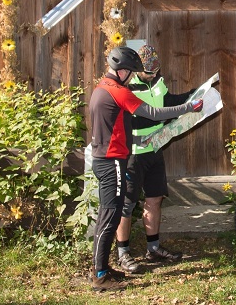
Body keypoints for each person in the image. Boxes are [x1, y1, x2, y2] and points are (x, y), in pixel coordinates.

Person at [89, 45, 203, 291]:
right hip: (115, 160)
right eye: (132, 72)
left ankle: (105, 269)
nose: (134, 77)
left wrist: (189, 97)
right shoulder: (119, 91)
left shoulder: (102, 88)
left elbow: (121, 125)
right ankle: (102, 274)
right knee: (111, 215)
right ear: (123, 71)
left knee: (111, 214)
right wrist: (187, 108)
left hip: (116, 155)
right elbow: (150, 113)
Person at [115, 44, 195, 272]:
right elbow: (142, 116)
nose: (153, 75)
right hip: (133, 155)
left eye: (156, 71)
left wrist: (194, 95)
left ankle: (153, 248)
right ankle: (123, 252)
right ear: (137, 68)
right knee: (127, 205)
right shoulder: (128, 86)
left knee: (155, 199)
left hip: (155, 151)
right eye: (149, 72)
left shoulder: (158, 81)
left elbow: (168, 102)